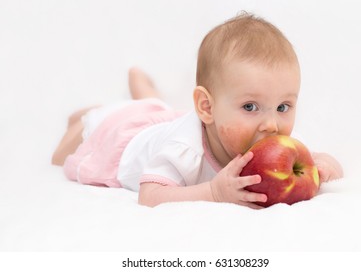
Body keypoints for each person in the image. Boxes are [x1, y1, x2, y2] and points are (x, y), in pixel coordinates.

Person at [52, 13, 343, 209]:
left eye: (283, 106)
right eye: (250, 107)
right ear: (208, 108)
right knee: (71, 147)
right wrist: (214, 193)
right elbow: (149, 196)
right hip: (124, 138)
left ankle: (142, 90)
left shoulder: (276, 136)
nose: (271, 124)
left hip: (165, 120)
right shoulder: (183, 148)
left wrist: (327, 165)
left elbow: (312, 161)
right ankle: (88, 115)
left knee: (157, 109)